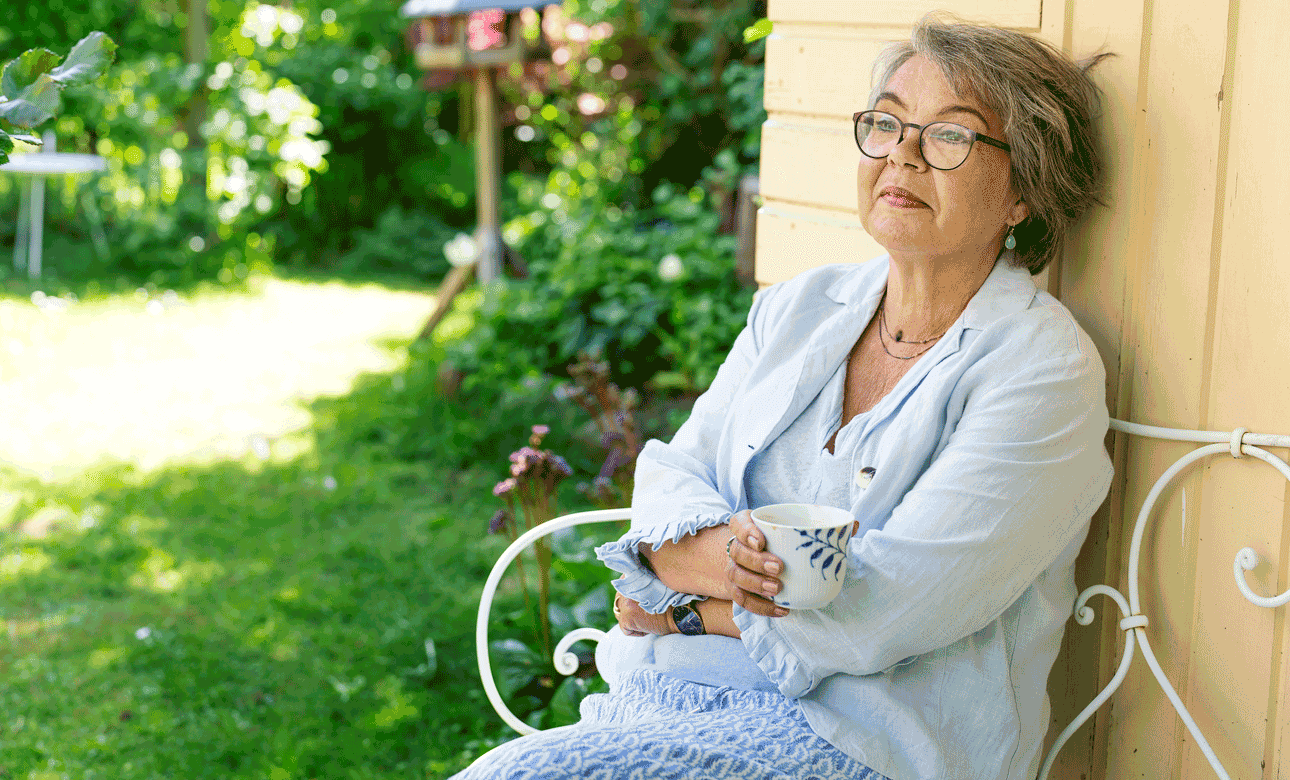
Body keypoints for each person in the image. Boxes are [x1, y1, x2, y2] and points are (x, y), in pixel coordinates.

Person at [453, 14, 1114, 780]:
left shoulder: (1041, 369)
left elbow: (889, 608)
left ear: (1024, 192)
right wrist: (724, 562)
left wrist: (688, 606)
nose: (901, 153)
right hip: (680, 689)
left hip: (871, 741)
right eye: (888, 123)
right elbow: (671, 475)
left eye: (949, 137)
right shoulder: (804, 306)